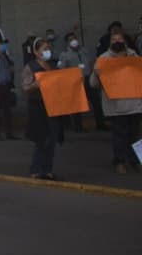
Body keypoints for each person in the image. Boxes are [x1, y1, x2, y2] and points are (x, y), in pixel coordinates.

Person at [90, 29, 142, 174]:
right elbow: (94, 84)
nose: (117, 42)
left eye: (120, 39)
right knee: (120, 135)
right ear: (110, 42)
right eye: (114, 40)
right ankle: (119, 161)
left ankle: (135, 160)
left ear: (125, 41)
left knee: (135, 135)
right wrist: (96, 73)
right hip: (116, 106)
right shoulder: (103, 59)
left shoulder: (133, 55)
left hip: (135, 104)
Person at [23, 38, 62, 180]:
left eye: (48, 49)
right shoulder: (30, 67)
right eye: (44, 49)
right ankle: (36, 169)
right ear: (36, 52)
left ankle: (47, 169)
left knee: (52, 138)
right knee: (41, 139)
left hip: (52, 105)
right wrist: (35, 85)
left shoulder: (52, 65)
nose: (47, 52)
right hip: (37, 106)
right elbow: (26, 88)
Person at [57, 32, 90, 132]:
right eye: (71, 39)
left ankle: (100, 123)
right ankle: (78, 126)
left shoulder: (83, 50)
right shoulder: (64, 54)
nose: (74, 41)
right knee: (77, 104)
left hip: (87, 77)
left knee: (95, 100)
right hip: (75, 81)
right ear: (67, 42)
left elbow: (89, 62)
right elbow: (61, 68)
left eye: (74, 38)